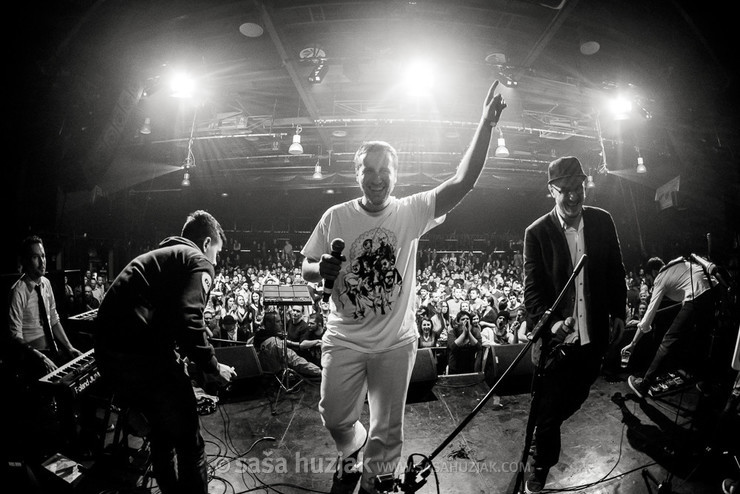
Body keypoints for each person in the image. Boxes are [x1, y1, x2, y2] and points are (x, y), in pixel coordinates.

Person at [301, 81, 506, 494]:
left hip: (395, 340)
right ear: (356, 173)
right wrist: (318, 267)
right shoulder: (335, 216)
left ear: (395, 174)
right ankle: (352, 444)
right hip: (344, 336)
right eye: (368, 170)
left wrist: (484, 124)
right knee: (335, 415)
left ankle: (379, 480)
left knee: (387, 426)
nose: (377, 179)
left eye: (384, 171)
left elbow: (461, 183)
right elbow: (306, 266)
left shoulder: (410, 211)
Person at [94, 210, 237, 494]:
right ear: (207, 243)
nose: (216, 262)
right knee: (190, 442)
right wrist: (213, 366)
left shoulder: (166, 256)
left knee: (162, 434)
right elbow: (189, 319)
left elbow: (169, 315)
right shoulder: (198, 260)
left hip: (112, 355)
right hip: (141, 357)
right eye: (217, 254)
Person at [523, 156, 626, 493]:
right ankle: (540, 463)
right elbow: (533, 291)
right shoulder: (537, 233)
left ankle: (542, 430)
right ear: (552, 190)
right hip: (557, 342)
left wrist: (619, 312)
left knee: (578, 396)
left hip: (592, 335)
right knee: (550, 412)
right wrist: (550, 326)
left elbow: (615, 270)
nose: (573, 196)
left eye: (578, 188)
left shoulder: (602, 221)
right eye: (564, 189)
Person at [626, 256, 717, 398]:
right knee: (703, 339)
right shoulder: (678, 267)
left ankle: (644, 385)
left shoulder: (661, 277)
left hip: (698, 294)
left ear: (655, 272)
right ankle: (706, 383)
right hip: (715, 291)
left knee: (668, 341)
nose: (649, 283)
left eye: (648, 278)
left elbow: (648, 317)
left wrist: (632, 344)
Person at [8, 235, 83, 374]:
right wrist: (41, 358)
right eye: (36, 257)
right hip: (33, 360)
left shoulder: (46, 283)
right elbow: (15, 336)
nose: (42, 262)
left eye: (43, 256)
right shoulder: (18, 291)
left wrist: (69, 347)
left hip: (52, 352)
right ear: (25, 260)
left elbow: (54, 320)